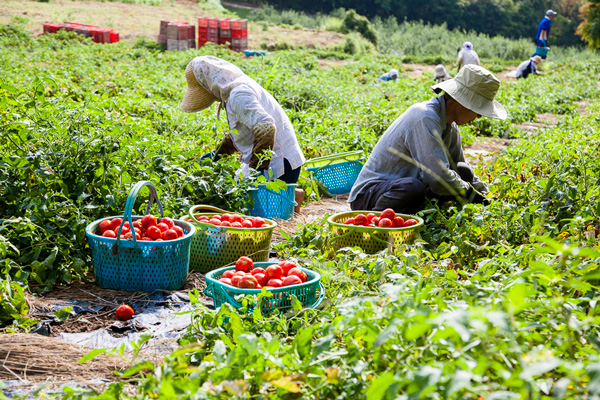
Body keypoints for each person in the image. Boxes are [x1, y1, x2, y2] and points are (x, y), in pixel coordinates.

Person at [348, 65, 507, 213]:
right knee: (412, 188)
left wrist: (486, 194)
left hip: (403, 188)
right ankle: (373, 224)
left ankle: (423, 216)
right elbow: (437, 179)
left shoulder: (450, 127)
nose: (479, 116)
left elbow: (460, 168)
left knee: (463, 171)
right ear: (462, 102)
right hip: (370, 195)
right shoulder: (425, 117)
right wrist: (470, 192)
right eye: (478, 109)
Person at [180, 56, 305, 184]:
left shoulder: (238, 95)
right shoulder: (236, 90)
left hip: (280, 165)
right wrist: (216, 153)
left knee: (259, 201)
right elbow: (241, 132)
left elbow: (267, 127)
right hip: (282, 161)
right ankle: (295, 194)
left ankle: (294, 195)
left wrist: (257, 170)